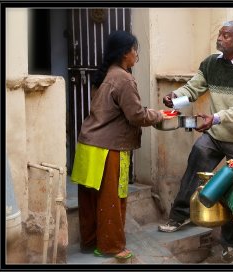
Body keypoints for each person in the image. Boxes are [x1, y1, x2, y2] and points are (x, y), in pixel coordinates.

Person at [157, 20, 233, 263]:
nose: (220, 38)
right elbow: (194, 88)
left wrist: (215, 118)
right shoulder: (210, 63)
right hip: (214, 136)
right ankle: (180, 215)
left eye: (226, 36)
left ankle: (230, 245)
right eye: (220, 34)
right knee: (195, 163)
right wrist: (176, 96)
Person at [71, 30, 168, 259]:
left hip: (88, 145)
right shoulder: (123, 78)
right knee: (110, 198)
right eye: (135, 50)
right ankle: (111, 247)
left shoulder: (105, 74)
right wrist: (161, 115)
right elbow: (136, 115)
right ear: (126, 53)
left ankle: (90, 242)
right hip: (108, 148)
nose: (136, 54)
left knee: (89, 198)